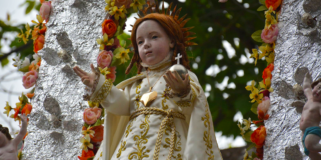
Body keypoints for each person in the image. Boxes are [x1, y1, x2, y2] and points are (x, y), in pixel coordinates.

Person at [73, 5, 222, 160]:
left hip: (167, 146)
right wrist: (99, 85)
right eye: (140, 42)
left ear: (172, 41)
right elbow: (123, 105)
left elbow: (193, 107)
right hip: (129, 149)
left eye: (154, 37)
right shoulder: (137, 83)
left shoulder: (180, 73)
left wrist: (183, 92)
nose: (146, 44)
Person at [300, 72, 321, 160]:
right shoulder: (310, 98)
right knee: (310, 153)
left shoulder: (319, 106)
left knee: (309, 144)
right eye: (319, 87)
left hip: (313, 130)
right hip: (304, 132)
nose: (319, 92)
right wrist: (306, 78)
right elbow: (306, 87)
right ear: (315, 86)